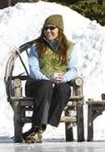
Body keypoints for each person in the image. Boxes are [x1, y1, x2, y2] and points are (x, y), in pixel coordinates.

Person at [22, 14, 78, 143]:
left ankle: (38, 130)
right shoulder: (36, 46)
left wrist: (63, 78)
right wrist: (47, 80)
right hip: (36, 84)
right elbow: (33, 70)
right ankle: (38, 128)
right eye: (45, 28)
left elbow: (73, 69)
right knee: (46, 86)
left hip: (59, 83)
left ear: (59, 29)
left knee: (64, 90)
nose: (48, 31)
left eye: (52, 28)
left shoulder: (70, 47)